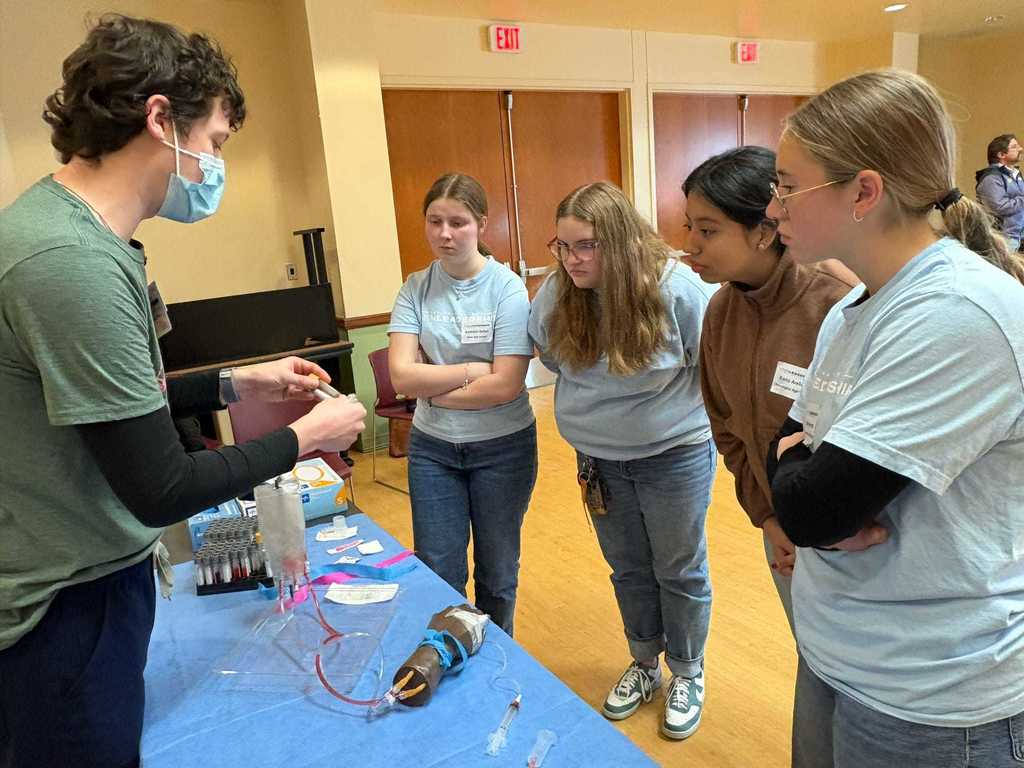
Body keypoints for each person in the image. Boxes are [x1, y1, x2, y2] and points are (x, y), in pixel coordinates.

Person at [0, 16, 366, 768]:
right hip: (64, 609)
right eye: (217, 142)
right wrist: (307, 437)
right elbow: (159, 487)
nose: (214, 166)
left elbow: (110, 404)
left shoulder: (72, 234)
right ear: (161, 118)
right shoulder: (70, 261)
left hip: (81, 586)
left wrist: (235, 382)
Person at [765, 69, 1024, 768]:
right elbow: (784, 451)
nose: (773, 207)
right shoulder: (855, 309)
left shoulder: (956, 315)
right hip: (842, 651)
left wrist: (806, 481)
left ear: (864, 192)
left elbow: (813, 507)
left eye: (787, 186)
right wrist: (804, 477)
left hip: (932, 693)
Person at [528, 181, 717, 741]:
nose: (572, 259)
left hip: (673, 457)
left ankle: (687, 671)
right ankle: (644, 663)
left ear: (621, 240)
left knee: (679, 568)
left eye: (585, 245)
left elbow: (715, 366)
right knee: (629, 567)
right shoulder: (558, 295)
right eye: (562, 246)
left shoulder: (677, 290)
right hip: (599, 462)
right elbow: (550, 357)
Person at [681, 146, 862, 634]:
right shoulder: (721, 311)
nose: (690, 245)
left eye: (708, 230)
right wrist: (768, 518)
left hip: (855, 539)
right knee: (810, 649)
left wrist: (819, 531)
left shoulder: (837, 302)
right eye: (689, 227)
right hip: (782, 529)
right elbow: (728, 429)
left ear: (764, 231)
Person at [387, 173, 536, 637]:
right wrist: (473, 369)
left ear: (482, 225)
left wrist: (432, 388)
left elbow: (506, 385)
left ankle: (497, 657)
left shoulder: (506, 288)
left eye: (458, 222)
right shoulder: (415, 288)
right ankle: (446, 656)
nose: (445, 234)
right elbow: (401, 377)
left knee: (497, 574)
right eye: (435, 221)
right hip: (433, 449)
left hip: (503, 448)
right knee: (438, 569)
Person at [975, 133, 1024, 252]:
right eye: (1014, 147)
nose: (1020, 149)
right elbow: (998, 207)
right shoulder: (991, 178)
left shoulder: (1016, 175)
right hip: (1005, 239)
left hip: (1019, 237)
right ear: (1001, 155)